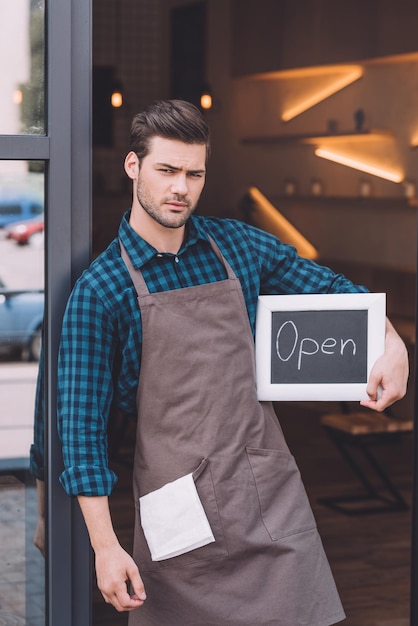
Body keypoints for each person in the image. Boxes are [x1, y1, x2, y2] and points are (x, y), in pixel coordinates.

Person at [33, 99, 408, 625]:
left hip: (270, 498)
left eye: (194, 173)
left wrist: (393, 344)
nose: (180, 188)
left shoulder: (237, 246)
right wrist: (106, 547)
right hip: (179, 515)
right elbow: (80, 432)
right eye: (166, 170)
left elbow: (329, 289)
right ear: (133, 166)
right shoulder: (102, 289)